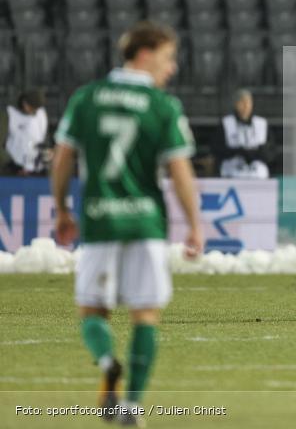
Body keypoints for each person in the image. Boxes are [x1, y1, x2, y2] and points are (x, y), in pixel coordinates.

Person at [51, 21, 204, 426]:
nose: (172, 68)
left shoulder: (86, 98)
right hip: (145, 224)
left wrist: (62, 209)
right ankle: (133, 407)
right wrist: (195, 224)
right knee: (146, 314)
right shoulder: (162, 106)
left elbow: (63, 158)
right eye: (168, 58)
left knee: (92, 310)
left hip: (101, 219)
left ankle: (106, 361)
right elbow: (180, 171)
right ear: (144, 53)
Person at [214, 89, 271, 179]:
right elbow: (217, 149)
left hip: (258, 175)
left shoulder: (262, 123)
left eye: (248, 102)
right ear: (236, 104)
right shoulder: (226, 123)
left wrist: (254, 153)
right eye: (242, 102)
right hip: (232, 174)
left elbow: (270, 152)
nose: (246, 106)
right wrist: (238, 151)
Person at [4, 89, 49, 176]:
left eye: (35, 109)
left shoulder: (40, 115)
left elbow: (39, 141)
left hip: (35, 166)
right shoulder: (9, 114)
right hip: (13, 165)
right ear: (25, 103)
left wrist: (30, 166)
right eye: (31, 108)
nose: (33, 111)